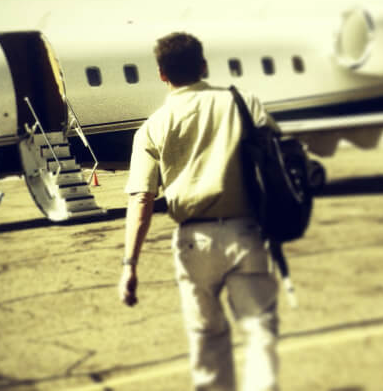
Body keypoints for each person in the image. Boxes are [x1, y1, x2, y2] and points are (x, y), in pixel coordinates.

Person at [118, 32, 280, 391]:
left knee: (207, 338)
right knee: (258, 331)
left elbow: (141, 199)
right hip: (246, 233)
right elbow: (278, 156)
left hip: (193, 241)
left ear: (162, 74)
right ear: (204, 65)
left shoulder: (152, 127)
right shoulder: (244, 104)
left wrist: (130, 265)